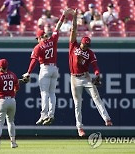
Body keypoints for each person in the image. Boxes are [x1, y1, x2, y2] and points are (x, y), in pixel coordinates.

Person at [22, 8, 72, 126]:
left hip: (44, 69)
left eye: (38, 38)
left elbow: (33, 61)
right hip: (54, 69)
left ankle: (44, 115)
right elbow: (58, 27)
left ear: (39, 38)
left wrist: (28, 73)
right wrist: (63, 16)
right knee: (52, 93)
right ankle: (51, 114)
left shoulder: (38, 47)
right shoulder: (53, 40)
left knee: (44, 93)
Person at [68, 9, 113, 137]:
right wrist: (75, 17)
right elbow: (74, 29)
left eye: (88, 45)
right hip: (74, 78)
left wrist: (97, 74)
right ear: (81, 42)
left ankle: (107, 119)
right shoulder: (73, 46)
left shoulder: (90, 53)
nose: (86, 47)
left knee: (96, 97)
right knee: (77, 103)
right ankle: (80, 128)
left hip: (85, 77)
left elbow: (95, 66)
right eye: (85, 45)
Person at [0, 59, 20, 149]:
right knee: (11, 122)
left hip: (2, 100)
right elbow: (17, 87)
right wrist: (13, 94)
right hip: (11, 100)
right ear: (7, 66)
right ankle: (13, 142)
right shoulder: (13, 75)